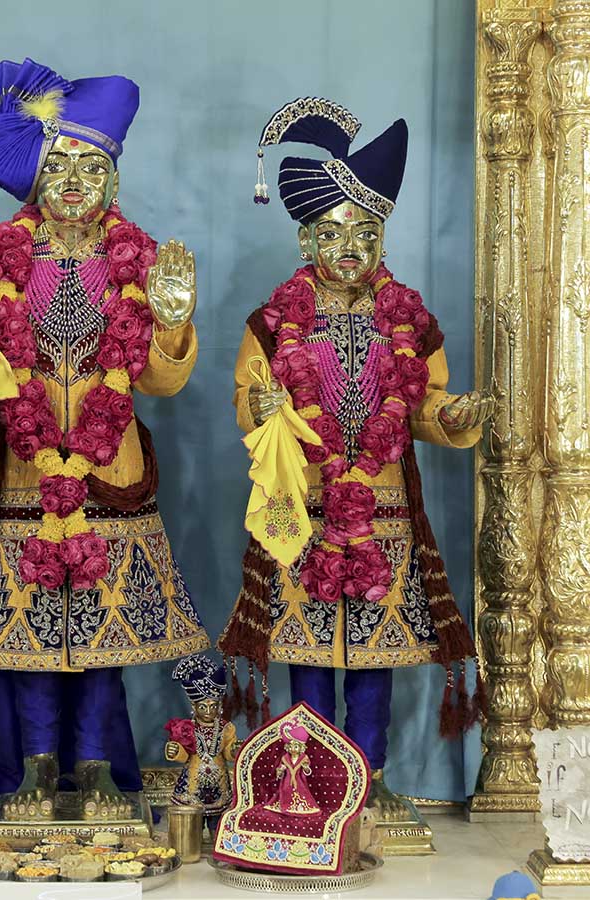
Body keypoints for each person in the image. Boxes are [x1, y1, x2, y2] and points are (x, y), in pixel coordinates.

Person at [0, 58, 209, 819]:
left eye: (91, 168)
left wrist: (172, 322)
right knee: (26, 641)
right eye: (59, 167)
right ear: (35, 182)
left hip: (109, 475)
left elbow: (160, 383)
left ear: (114, 182)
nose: (75, 182)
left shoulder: (142, 266)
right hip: (25, 475)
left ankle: (97, 769)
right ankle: (30, 770)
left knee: (101, 637)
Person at [219, 97, 493, 817]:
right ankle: (308, 785)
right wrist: (263, 408)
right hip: (302, 505)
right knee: (308, 651)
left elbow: (423, 403)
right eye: (334, 232)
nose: (351, 246)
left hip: (382, 508)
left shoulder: (410, 321)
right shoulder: (273, 322)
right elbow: (247, 398)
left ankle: (369, 783)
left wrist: (450, 417)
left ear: (383, 239)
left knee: (374, 652)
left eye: (366, 232)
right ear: (304, 239)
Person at [164, 654, 239, 838]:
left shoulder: (226, 728)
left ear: (219, 706)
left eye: (213, 706)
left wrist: (234, 749)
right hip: (192, 787)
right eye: (203, 707)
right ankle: (191, 845)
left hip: (219, 786)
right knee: (191, 830)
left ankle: (218, 846)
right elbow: (184, 756)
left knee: (217, 830)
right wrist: (175, 750)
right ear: (194, 706)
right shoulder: (186, 728)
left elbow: (228, 754)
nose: (208, 711)